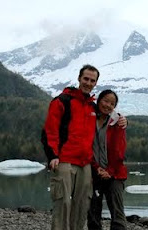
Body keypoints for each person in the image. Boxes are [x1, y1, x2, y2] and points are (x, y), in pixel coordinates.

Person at [43, 65, 127, 230]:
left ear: (96, 83)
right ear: (79, 78)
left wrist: (124, 120)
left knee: (82, 206)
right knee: (63, 203)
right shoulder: (63, 101)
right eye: (86, 79)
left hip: (85, 165)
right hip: (65, 160)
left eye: (92, 80)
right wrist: (52, 155)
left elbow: (110, 117)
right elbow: (49, 131)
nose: (88, 83)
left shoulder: (91, 106)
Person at [88, 89, 128, 230]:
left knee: (117, 212)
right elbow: (86, 148)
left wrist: (109, 171)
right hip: (94, 172)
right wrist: (96, 168)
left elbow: (119, 151)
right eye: (105, 101)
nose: (108, 105)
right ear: (99, 100)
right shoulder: (88, 119)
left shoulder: (118, 122)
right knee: (93, 212)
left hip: (115, 173)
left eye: (112, 103)